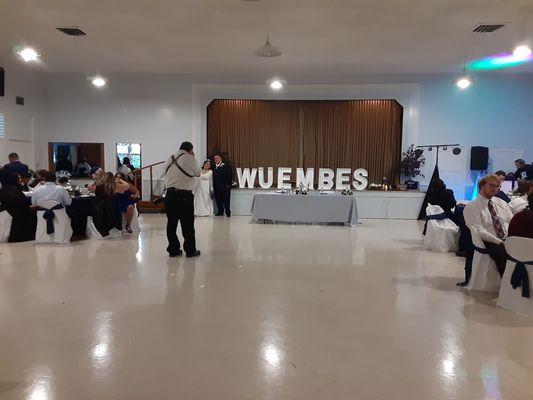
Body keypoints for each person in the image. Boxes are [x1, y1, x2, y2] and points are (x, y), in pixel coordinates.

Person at [463, 174, 513, 276]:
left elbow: (512, 222)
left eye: (497, 186)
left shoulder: (502, 203)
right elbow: (480, 232)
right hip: (490, 241)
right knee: (503, 254)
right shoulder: (472, 207)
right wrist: (500, 242)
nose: (495, 189)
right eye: (492, 185)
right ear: (482, 186)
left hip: (508, 238)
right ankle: (508, 283)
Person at [163, 141, 201, 258]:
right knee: (187, 224)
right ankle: (190, 251)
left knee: (171, 224)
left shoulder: (170, 157)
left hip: (169, 195)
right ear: (190, 149)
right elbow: (198, 173)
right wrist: (193, 157)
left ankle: (173, 250)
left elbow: (165, 173)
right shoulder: (189, 157)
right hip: (184, 196)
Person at [0, 172, 36, 242]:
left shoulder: (3, 189)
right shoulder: (15, 190)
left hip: (6, 214)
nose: (20, 179)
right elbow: (22, 205)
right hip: (17, 217)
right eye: (19, 178)